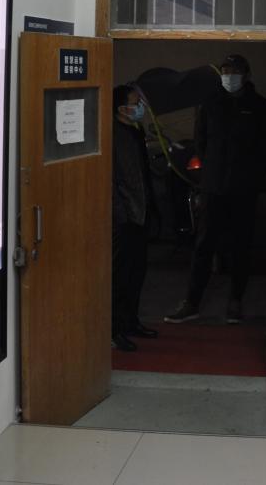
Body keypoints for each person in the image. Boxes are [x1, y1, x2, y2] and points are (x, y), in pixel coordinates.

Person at [165, 54, 266, 324]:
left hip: (244, 190)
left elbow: (265, 147)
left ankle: (236, 300)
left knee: (240, 246)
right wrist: (210, 173)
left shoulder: (259, 106)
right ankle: (192, 301)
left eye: (234, 71)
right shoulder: (211, 103)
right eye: (225, 71)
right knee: (204, 245)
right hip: (213, 187)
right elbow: (200, 141)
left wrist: (251, 176)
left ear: (246, 75)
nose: (229, 76)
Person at [112, 85, 158, 352]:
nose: (141, 106)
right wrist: (121, 213)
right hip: (125, 217)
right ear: (122, 109)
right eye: (135, 102)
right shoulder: (113, 135)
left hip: (141, 212)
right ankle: (115, 329)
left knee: (137, 272)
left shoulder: (136, 131)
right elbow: (112, 180)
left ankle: (131, 321)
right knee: (120, 274)